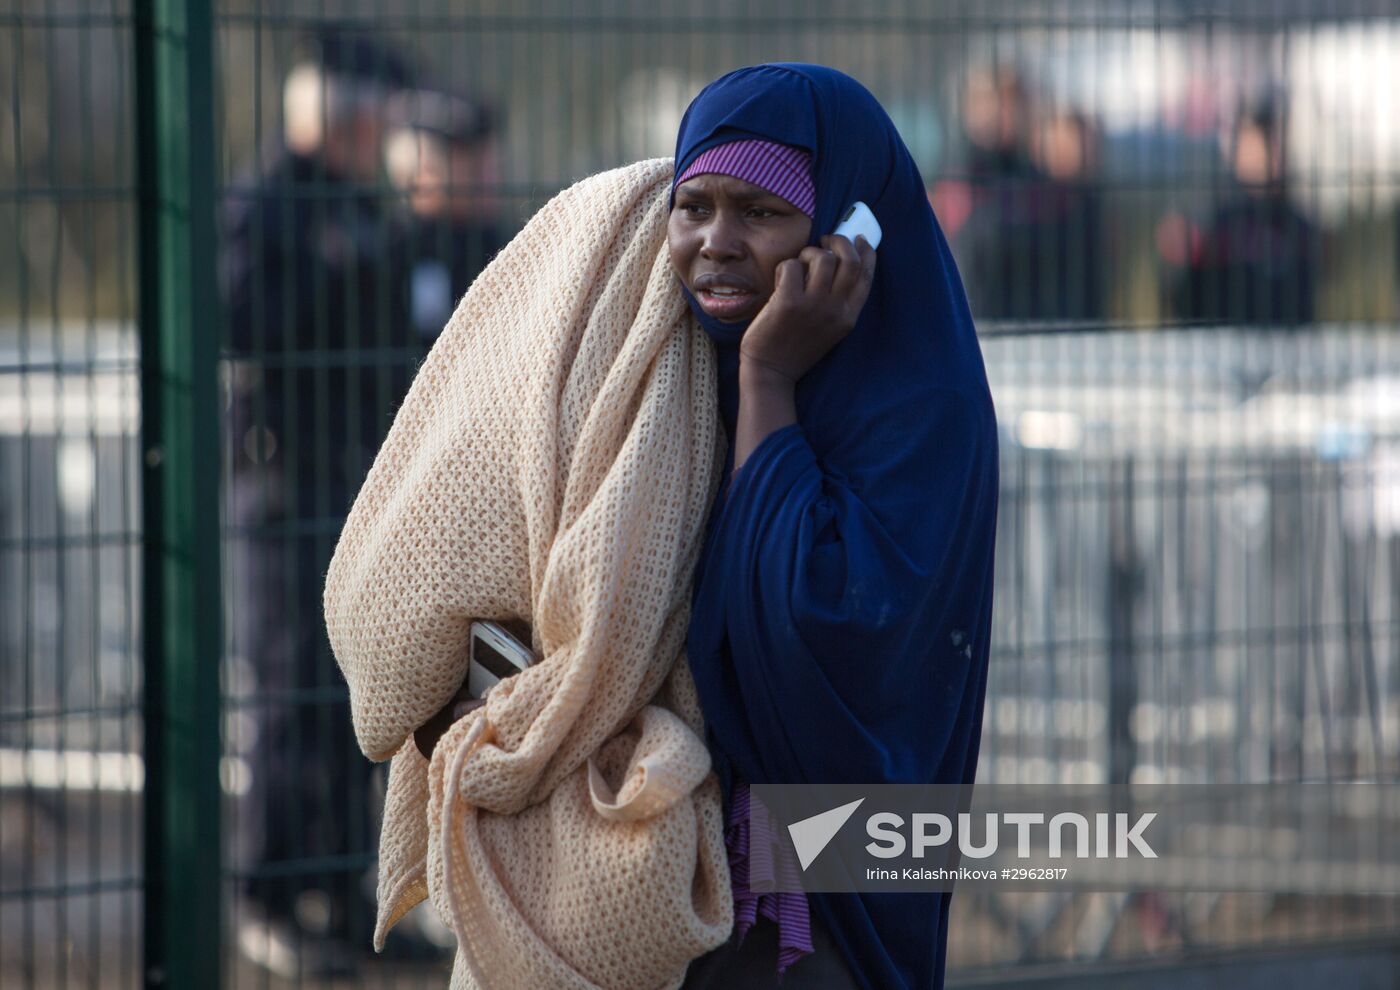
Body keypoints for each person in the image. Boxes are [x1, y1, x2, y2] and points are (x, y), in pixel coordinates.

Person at [666, 64, 1000, 990]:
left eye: (761, 213)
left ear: (850, 230)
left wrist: (770, 377)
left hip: (823, 905)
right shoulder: (672, 376)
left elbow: (817, 624)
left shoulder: (923, 407)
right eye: (692, 206)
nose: (717, 244)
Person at [220, 27, 426, 973]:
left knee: (359, 695)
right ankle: (265, 894)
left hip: (358, 490)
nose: (386, 133)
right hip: (283, 488)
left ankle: (348, 896)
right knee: (287, 695)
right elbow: (240, 323)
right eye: (376, 114)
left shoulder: (365, 208)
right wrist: (330, 265)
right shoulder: (265, 204)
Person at [1162, 97, 1317, 326]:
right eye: (1252, 144)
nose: (1263, 154)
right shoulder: (1216, 219)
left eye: (1270, 143)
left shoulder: (1296, 222)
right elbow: (1184, 295)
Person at [383, 86, 510, 344]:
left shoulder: (503, 247)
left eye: (491, 165)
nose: (491, 178)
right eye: (474, 168)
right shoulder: (390, 252)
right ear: (421, 174)